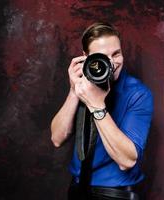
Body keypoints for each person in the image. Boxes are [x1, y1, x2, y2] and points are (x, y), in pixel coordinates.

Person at [50, 22, 153, 200]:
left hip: (115, 194)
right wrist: (74, 91)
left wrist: (97, 105)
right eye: (102, 57)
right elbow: (57, 138)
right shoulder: (82, 87)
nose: (112, 63)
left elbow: (127, 161)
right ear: (86, 58)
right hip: (77, 189)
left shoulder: (138, 94)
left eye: (116, 54)